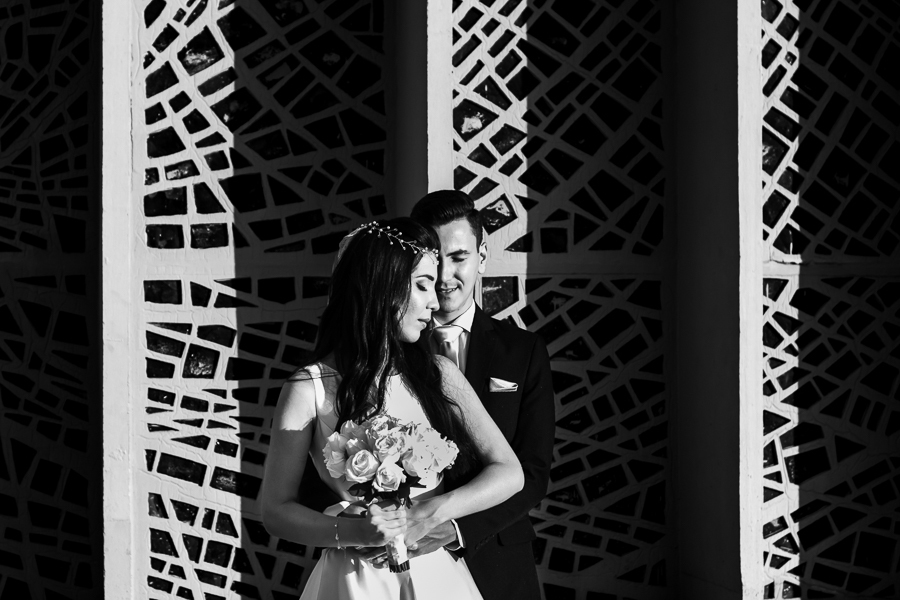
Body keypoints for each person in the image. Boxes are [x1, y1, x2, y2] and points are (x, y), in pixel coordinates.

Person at [260, 217, 524, 600]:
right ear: (381, 286)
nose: (435, 302)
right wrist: (354, 532)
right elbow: (275, 510)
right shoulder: (309, 387)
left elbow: (510, 472)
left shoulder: (440, 375)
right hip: (354, 581)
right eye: (422, 285)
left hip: (435, 577)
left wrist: (431, 514)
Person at [407, 190, 554, 600]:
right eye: (435, 259)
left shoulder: (523, 351)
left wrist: (456, 529)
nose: (443, 276)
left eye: (458, 258)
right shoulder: (390, 351)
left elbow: (534, 471)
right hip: (406, 560)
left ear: (482, 255)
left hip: (498, 556)